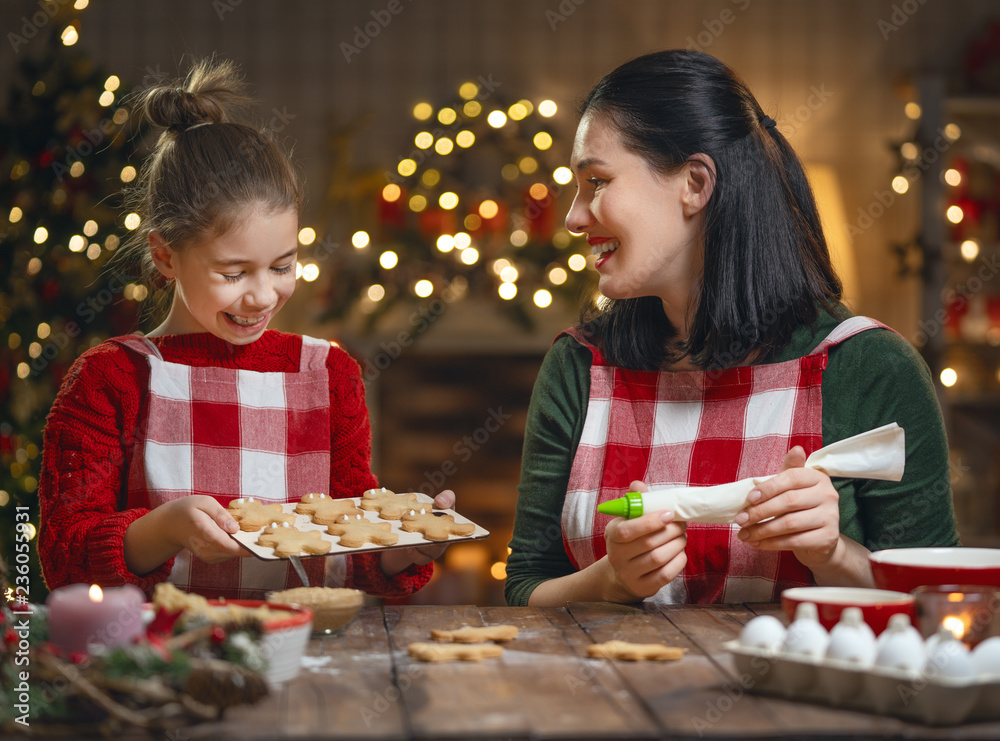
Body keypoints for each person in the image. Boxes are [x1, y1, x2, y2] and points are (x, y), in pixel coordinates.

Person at [505, 50, 959, 608]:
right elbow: (526, 586)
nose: (573, 217)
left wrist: (831, 553)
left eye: (596, 182)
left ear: (695, 183)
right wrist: (609, 582)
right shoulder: (578, 367)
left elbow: (939, 604)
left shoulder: (871, 368)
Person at [38, 58, 453, 600]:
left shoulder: (329, 374)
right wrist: (163, 529)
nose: (262, 296)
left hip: (306, 656)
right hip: (167, 663)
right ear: (165, 255)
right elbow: (65, 559)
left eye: (283, 265)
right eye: (233, 273)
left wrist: (405, 547)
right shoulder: (111, 378)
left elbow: (351, 548)